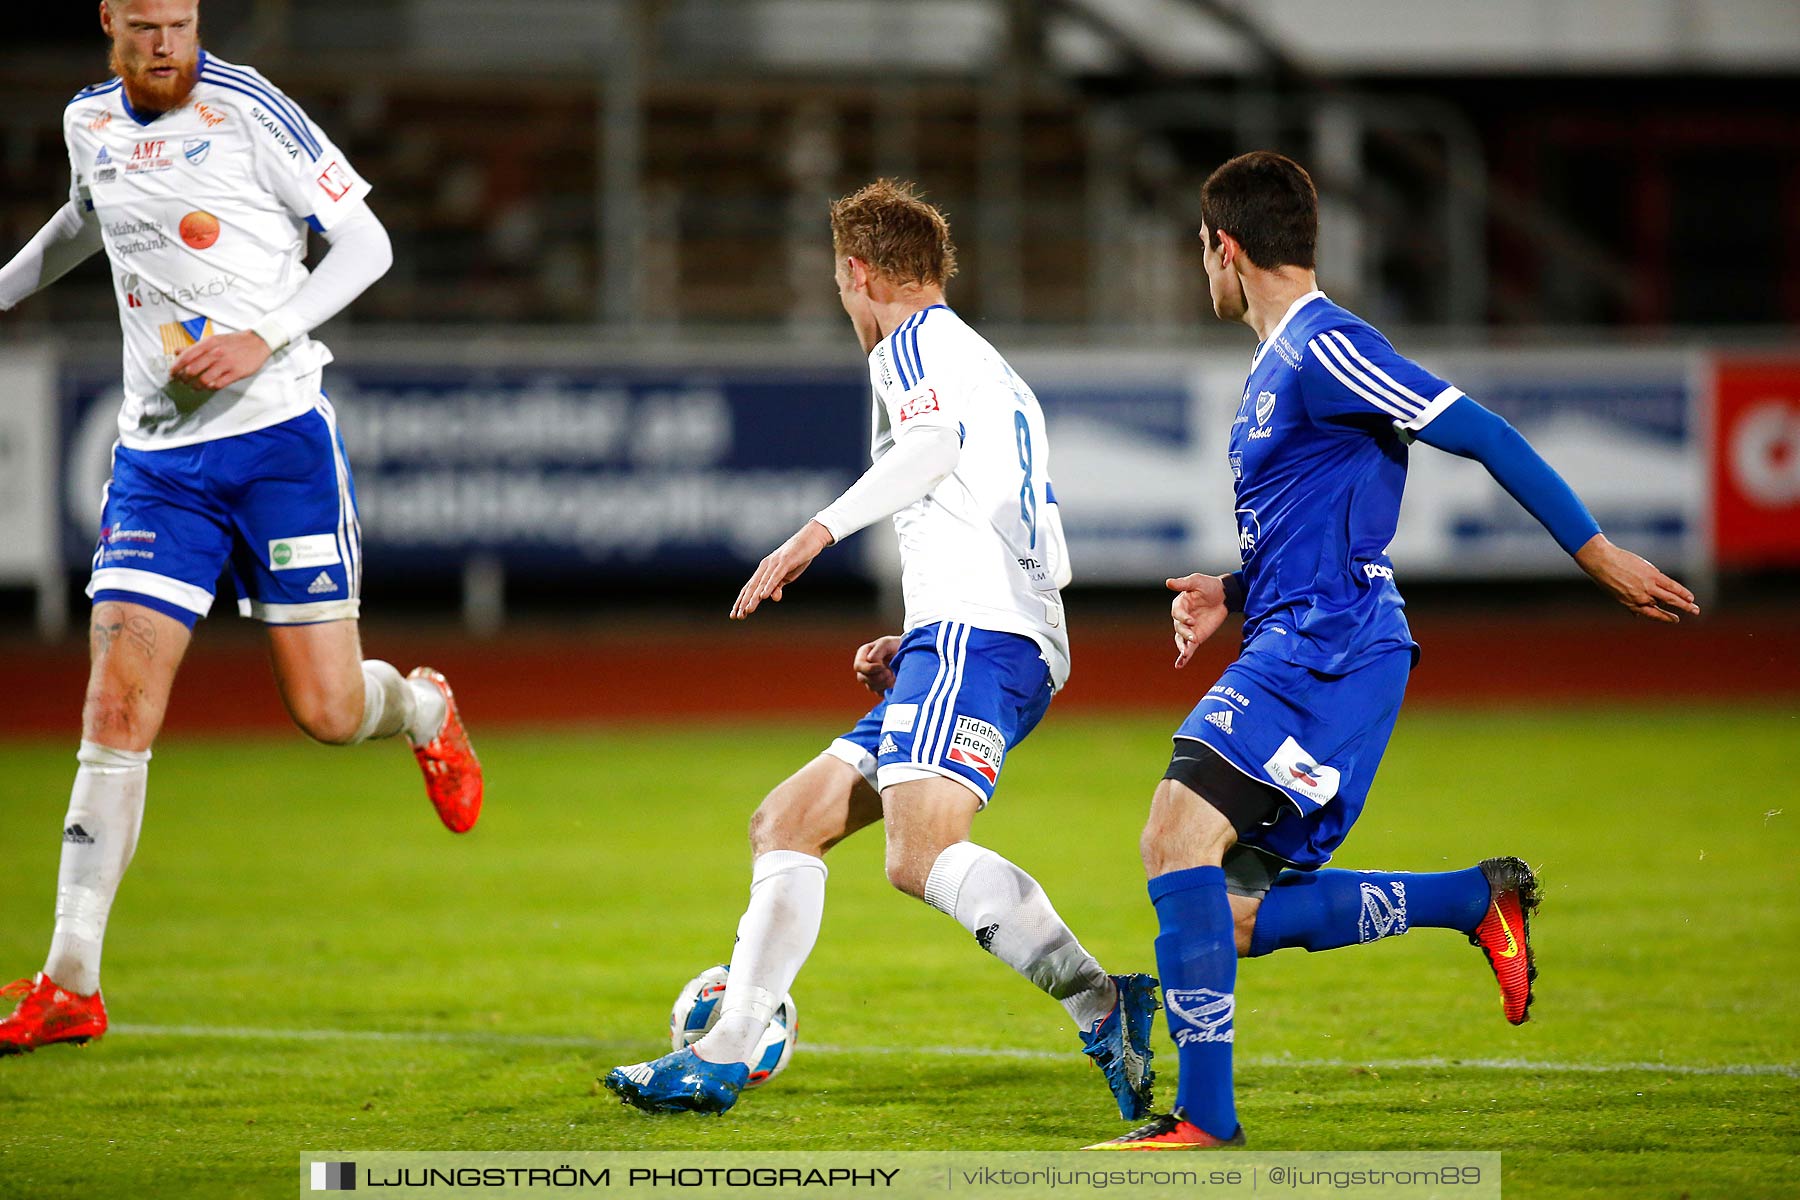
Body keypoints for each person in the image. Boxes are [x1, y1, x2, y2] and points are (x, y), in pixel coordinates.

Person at [1085, 152, 1699, 1150]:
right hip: (1301, 638)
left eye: (1203, 252)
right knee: (1233, 917)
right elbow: (1320, 524)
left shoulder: (1328, 345)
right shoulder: (1278, 360)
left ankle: (1204, 1120)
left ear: (1224, 247)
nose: (1205, 271)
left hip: (1327, 655)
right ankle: (1475, 899)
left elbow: (1485, 431)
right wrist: (1230, 590)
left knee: (1174, 836)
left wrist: (1597, 554)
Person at [602, 179, 1157, 1119]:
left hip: (981, 638)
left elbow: (932, 449)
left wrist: (814, 534)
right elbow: (1012, 522)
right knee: (788, 821)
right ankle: (726, 1047)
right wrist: (922, 638)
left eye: (837, 281)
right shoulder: (989, 365)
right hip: (990, 633)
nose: (842, 301)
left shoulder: (910, 345)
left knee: (919, 855)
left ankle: (1101, 1001)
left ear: (858, 273)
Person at [0, 0, 483, 1056]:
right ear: (107, 24)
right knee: (116, 707)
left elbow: (367, 243)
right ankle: (70, 976)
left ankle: (421, 708)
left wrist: (265, 334)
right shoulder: (89, 121)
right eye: (145, 24)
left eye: (180, 20)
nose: (166, 40)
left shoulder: (249, 105)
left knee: (324, 709)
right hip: (158, 465)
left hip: (279, 448)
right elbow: (86, 216)